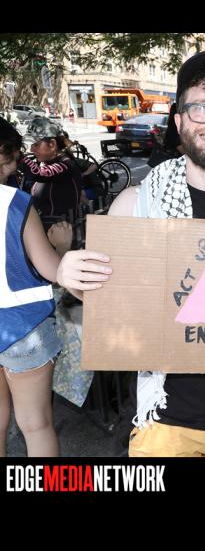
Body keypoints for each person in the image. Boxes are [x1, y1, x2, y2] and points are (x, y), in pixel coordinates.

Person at [56, 49, 205, 458]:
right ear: (179, 120)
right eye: (201, 107)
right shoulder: (136, 206)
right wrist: (72, 278)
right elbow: (109, 304)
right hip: (163, 424)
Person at [0, 115, 72, 457]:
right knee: (36, 425)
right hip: (23, 326)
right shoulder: (14, 202)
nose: (15, 165)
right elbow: (52, 270)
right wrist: (62, 246)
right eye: (12, 156)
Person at [19, 117, 82, 230]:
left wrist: (17, 156)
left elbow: (39, 173)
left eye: (36, 145)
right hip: (46, 227)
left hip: (61, 231)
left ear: (52, 144)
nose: (32, 150)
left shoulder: (66, 165)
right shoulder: (46, 162)